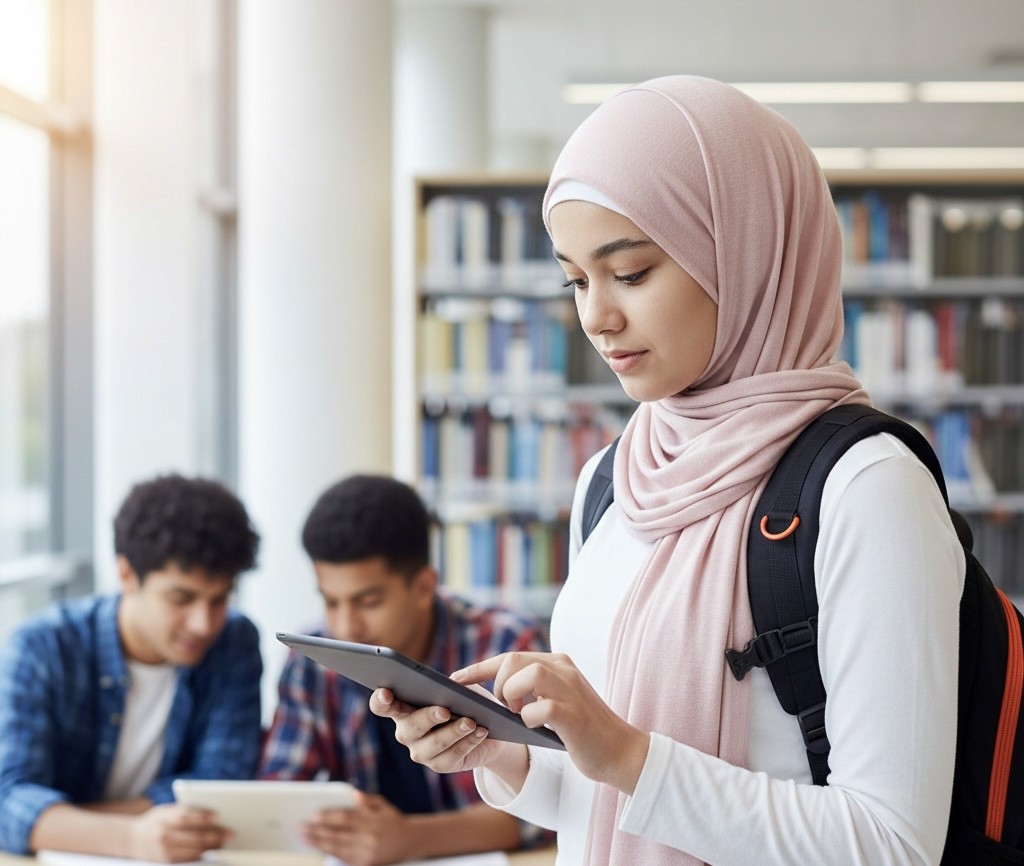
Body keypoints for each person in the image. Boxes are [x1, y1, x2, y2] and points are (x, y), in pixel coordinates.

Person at [370, 76, 966, 865]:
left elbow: (892, 845)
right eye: (576, 280)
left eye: (631, 272)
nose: (597, 317)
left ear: (745, 255)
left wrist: (628, 755)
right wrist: (505, 753)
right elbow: (603, 797)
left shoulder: (868, 488)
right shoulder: (612, 481)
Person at [260, 473, 553, 865]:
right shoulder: (310, 659)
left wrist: (412, 839)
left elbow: (548, 804)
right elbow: (278, 794)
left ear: (423, 587)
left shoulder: (505, 645)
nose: (346, 626)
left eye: (368, 602)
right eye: (331, 602)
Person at [0, 474, 263, 862]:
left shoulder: (234, 641)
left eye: (219, 599)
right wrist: (130, 837)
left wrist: (64, 823)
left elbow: (221, 784)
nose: (203, 624)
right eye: (181, 598)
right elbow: (8, 799)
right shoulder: (43, 647)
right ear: (126, 574)